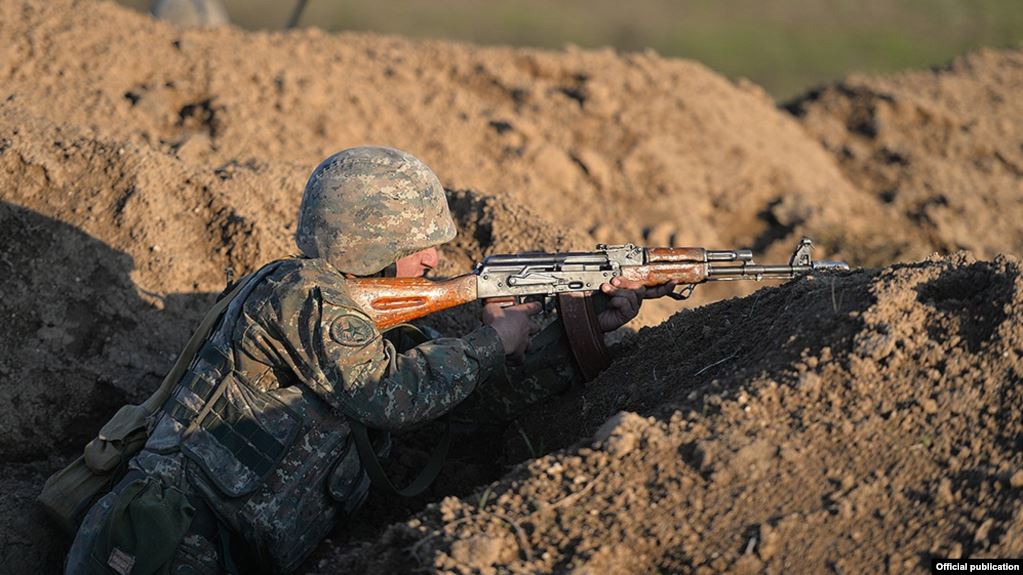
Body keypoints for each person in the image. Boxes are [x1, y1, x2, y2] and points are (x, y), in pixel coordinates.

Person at [64, 147, 674, 574]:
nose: (435, 259)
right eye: (418, 244)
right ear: (370, 241)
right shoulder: (297, 294)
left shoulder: (360, 328)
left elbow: (457, 411)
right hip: (163, 544)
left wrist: (577, 335)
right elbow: (393, 395)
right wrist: (492, 339)